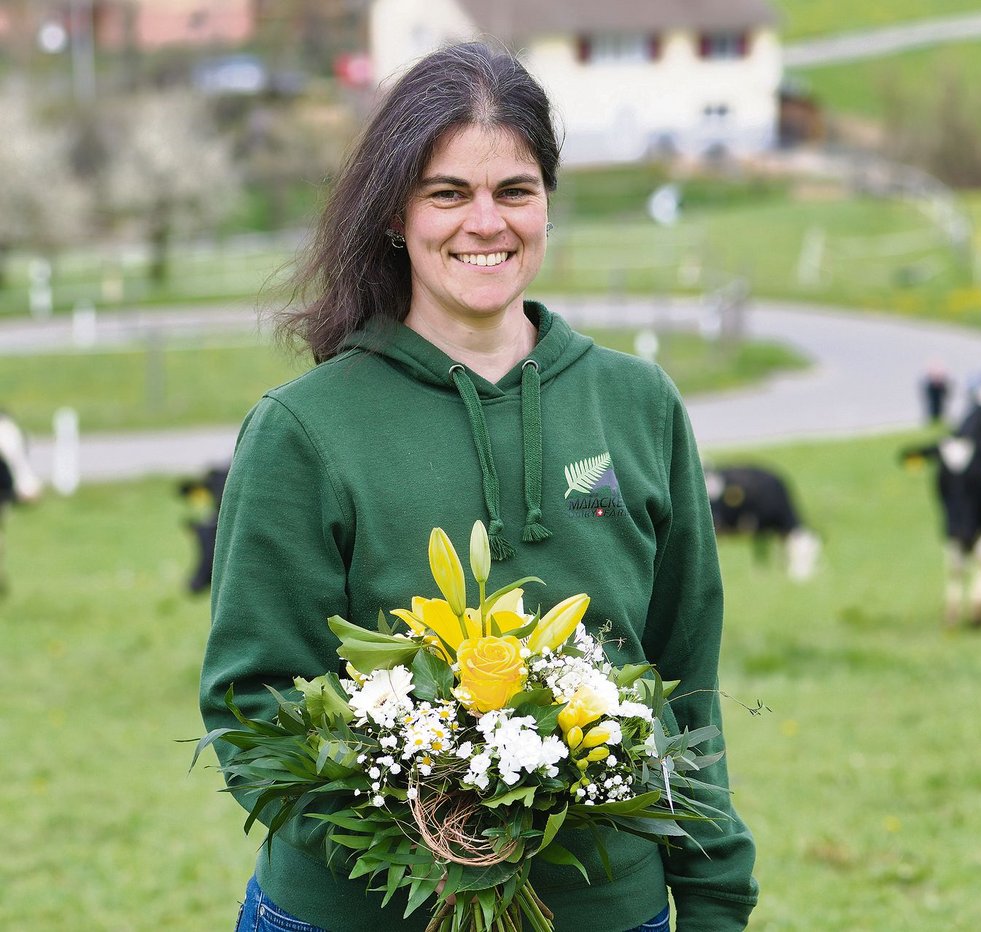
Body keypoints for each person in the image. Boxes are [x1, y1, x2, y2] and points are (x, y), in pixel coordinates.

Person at [199, 42, 758, 932]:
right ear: (394, 213)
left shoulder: (638, 404)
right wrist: (439, 837)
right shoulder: (303, 430)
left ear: (547, 204)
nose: (485, 223)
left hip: (607, 913)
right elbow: (250, 706)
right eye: (448, 193)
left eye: (516, 191)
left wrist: (717, 895)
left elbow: (685, 682)